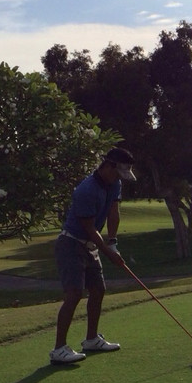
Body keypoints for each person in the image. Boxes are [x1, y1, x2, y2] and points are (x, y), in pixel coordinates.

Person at [49, 147, 136, 365]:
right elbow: (88, 227)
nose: (119, 178)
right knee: (74, 293)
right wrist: (108, 253)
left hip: (90, 245)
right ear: (108, 166)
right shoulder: (86, 190)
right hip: (71, 243)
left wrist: (113, 243)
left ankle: (91, 339)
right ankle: (59, 349)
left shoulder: (114, 183)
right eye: (118, 172)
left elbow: (113, 213)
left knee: (98, 289)